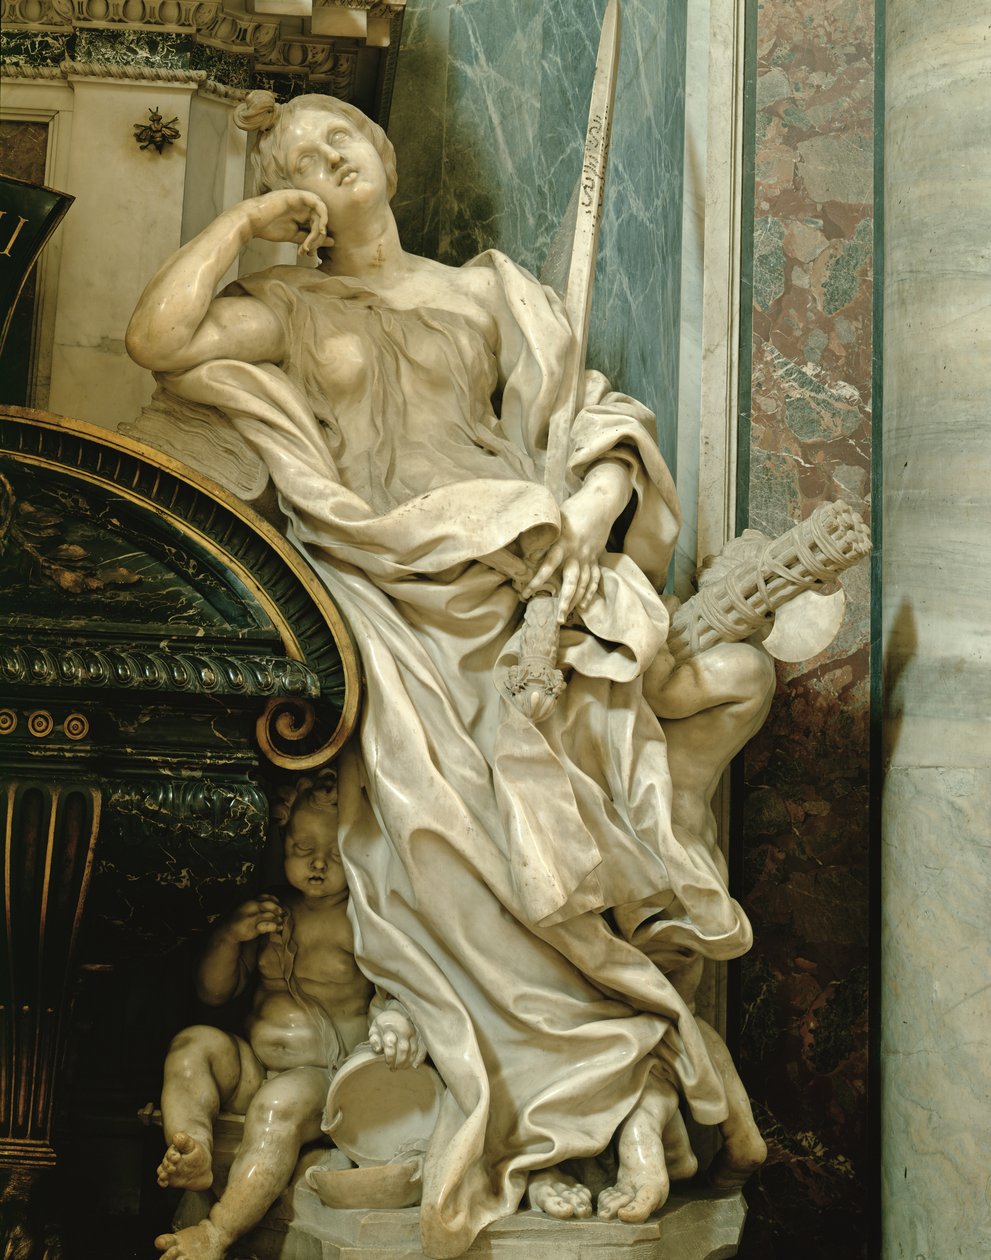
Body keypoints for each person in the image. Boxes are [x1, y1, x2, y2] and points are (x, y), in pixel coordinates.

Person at [127, 89, 770, 1260]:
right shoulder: (283, 305)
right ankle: (555, 1102)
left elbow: (591, 421)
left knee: (553, 837)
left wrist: (589, 509)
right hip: (386, 587)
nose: (327, 160)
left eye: (340, 140)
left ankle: (598, 1101)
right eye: (297, 161)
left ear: (381, 150)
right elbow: (158, 340)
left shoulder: (484, 291)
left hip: (520, 566)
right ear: (289, 196)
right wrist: (243, 226)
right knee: (439, 847)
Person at [153, 769, 424, 1260]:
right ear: (284, 841)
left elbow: (402, 990)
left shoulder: (365, 920)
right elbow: (214, 993)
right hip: (254, 1066)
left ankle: (217, 1232)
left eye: (335, 854)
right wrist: (230, 937)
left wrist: (394, 1018)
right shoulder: (270, 908)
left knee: (276, 1105)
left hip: (323, 1078)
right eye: (303, 849)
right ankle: (191, 1147)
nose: (318, 864)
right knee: (193, 1044)